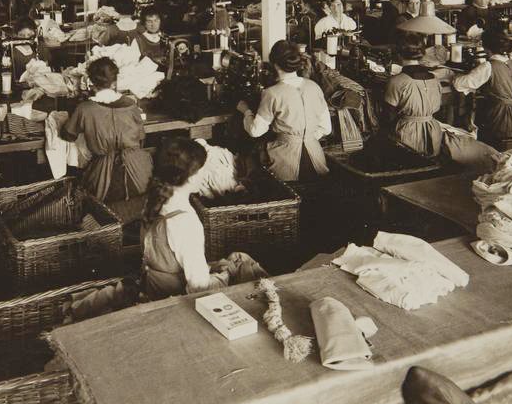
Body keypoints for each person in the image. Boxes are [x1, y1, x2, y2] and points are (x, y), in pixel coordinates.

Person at [140, 137, 267, 300]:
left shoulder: (154, 202)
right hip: (177, 300)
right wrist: (225, 273)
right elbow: (199, 287)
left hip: (154, 287)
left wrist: (214, 266)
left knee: (233, 260)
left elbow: (171, 261)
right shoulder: (185, 221)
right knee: (243, 263)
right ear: (192, 177)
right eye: (202, 169)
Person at [59, 57, 152, 221]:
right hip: (140, 175)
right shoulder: (131, 104)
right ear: (115, 82)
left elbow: (67, 135)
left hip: (104, 179)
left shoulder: (85, 109)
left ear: (91, 82)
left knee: (81, 183)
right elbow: (142, 138)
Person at [238, 41, 332, 181]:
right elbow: (326, 128)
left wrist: (245, 111)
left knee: (247, 159)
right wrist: (304, 138)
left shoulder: (272, 93)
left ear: (274, 64)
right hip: (317, 162)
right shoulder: (314, 87)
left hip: (286, 166)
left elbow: (255, 131)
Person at [452, 28, 512, 148]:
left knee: (472, 118)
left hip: (500, 116)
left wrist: (456, 76)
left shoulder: (488, 66)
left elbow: (459, 85)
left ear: (485, 47)